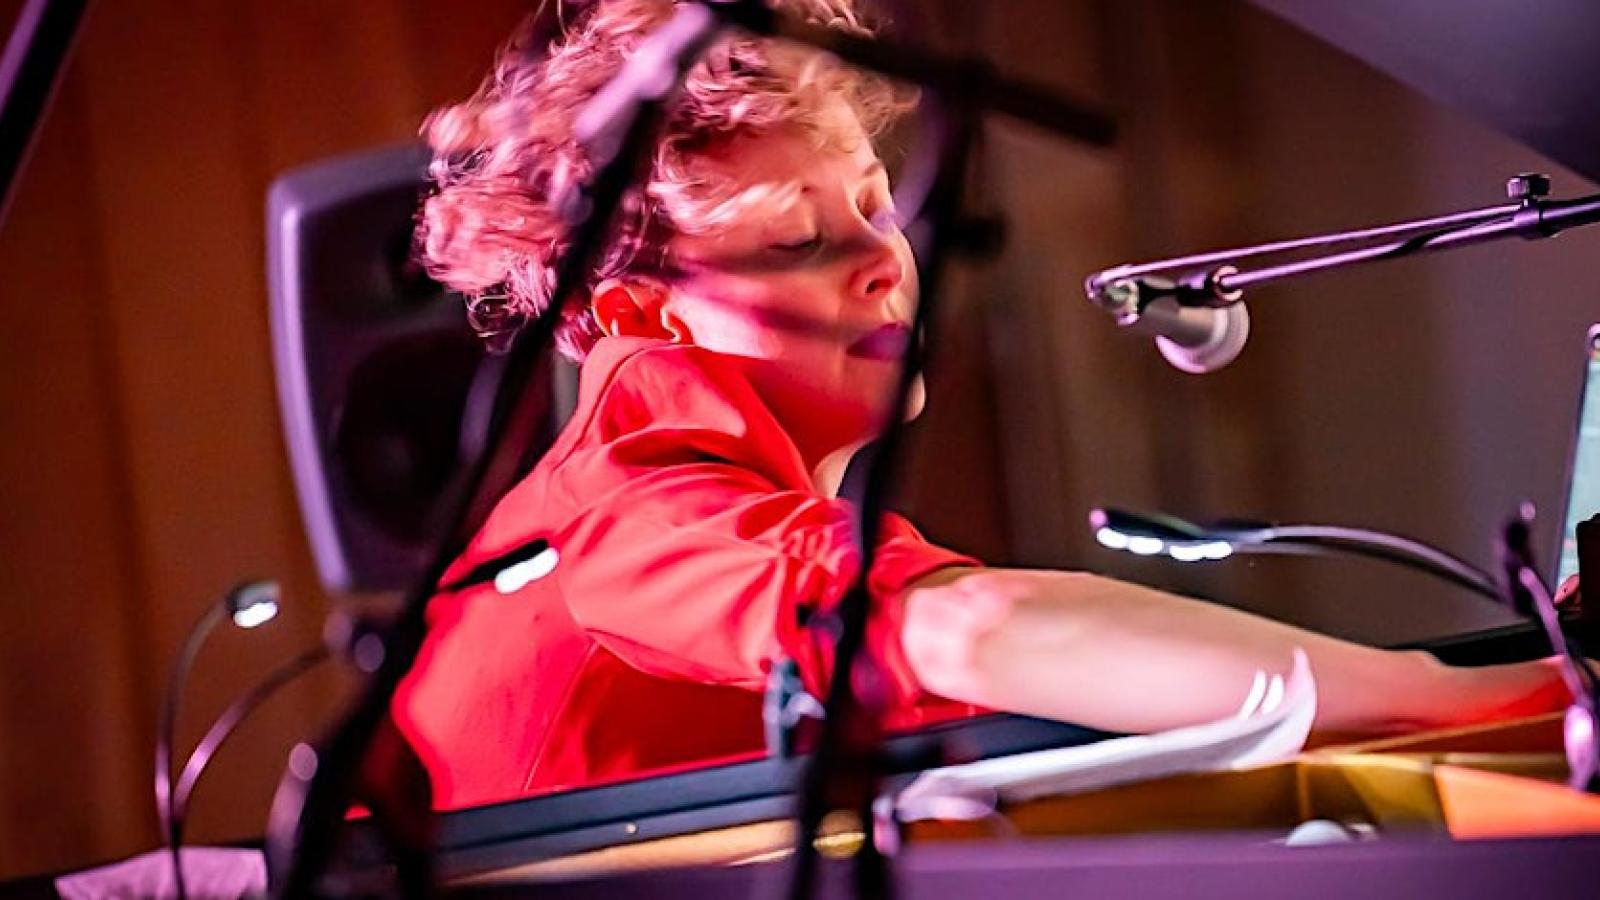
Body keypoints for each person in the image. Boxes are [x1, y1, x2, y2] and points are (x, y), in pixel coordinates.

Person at [393, 0, 1578, 811]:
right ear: (648, 315)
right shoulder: (626, 509)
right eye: (800, 237)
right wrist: (1493, 701)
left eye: (869, 202)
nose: (881, 257)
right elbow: (966, 630)